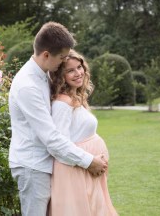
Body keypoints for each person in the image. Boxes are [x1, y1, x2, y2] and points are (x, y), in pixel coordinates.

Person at [8, 22, 107, 216]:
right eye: (61, 58)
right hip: (33, 167)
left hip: (44, 164)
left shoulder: (43, 76)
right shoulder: (28, 86)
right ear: (46, 55)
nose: (63, 63)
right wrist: (89, 161)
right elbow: (52, 138)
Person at [49, 49, 118, 215]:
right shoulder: (62, 104)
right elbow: (60, 145)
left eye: (79, 67)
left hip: (84, 171)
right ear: (60, 76)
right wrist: (90, 161)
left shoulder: (75, 98)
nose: (78, 73)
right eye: (70, 70)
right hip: (74, 172)